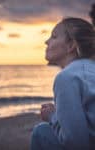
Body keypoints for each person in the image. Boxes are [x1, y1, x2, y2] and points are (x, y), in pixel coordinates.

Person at [31, 17, 95, 150]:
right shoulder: (90, 70)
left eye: (54, 37)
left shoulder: (67, 77)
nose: (46, 41)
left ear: (71, 45)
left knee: (41, 131)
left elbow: (76, 143)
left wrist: (52, 116)